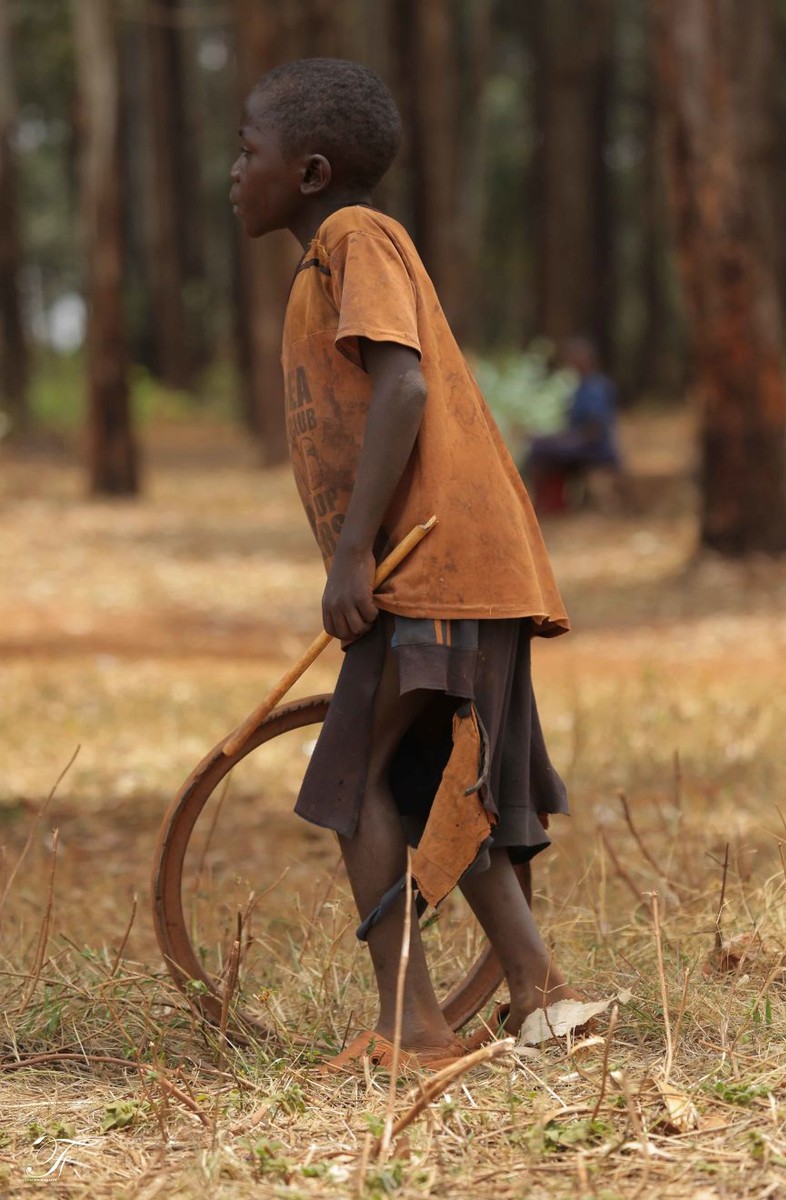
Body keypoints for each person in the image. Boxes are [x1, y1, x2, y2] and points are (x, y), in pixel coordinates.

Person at [230, 58, 580, 1071]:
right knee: (433, 782)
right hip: (453, 568)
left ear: (309, 170)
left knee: (350, 780)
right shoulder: (326, 261)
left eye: (247, 151)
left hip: (433, 564)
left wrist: (352, 556)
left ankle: (413, 1029)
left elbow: (402, 393)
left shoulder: (354, 236)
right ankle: (540, 991)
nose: (232, 171)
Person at [525, 338, 620, 511]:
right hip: (582, 442)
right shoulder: (580, 386)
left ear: (587, 359)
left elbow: (594, 430)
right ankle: (550, 502)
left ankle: (549, 504)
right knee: (538, 445)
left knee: (540, 448)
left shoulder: (595, 387)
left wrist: (563, 441)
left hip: (595, 448)